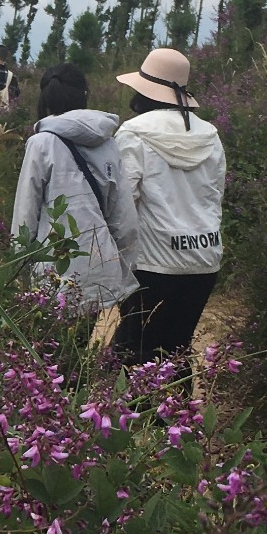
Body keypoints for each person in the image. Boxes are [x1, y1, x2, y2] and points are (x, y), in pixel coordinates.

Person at [109, 47, 225, 375]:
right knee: (176, 351)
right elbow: (215, 195)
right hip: (204, 260)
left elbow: (122, 203)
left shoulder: (133, 133)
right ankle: (177, 421)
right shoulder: (210, 135)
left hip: (152, 263)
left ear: (142, 89)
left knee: (134, 352)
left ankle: (128, 422)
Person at [10, 64, 138, 335]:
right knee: (78, 350)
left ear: (45, 99)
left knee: (47, 361)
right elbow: (124, 221)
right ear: (84, 94)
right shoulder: (108, 143)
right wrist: (122, 272)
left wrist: (18, 272)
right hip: (97, 266)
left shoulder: (41, 144)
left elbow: (25, 214)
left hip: (51, 272)